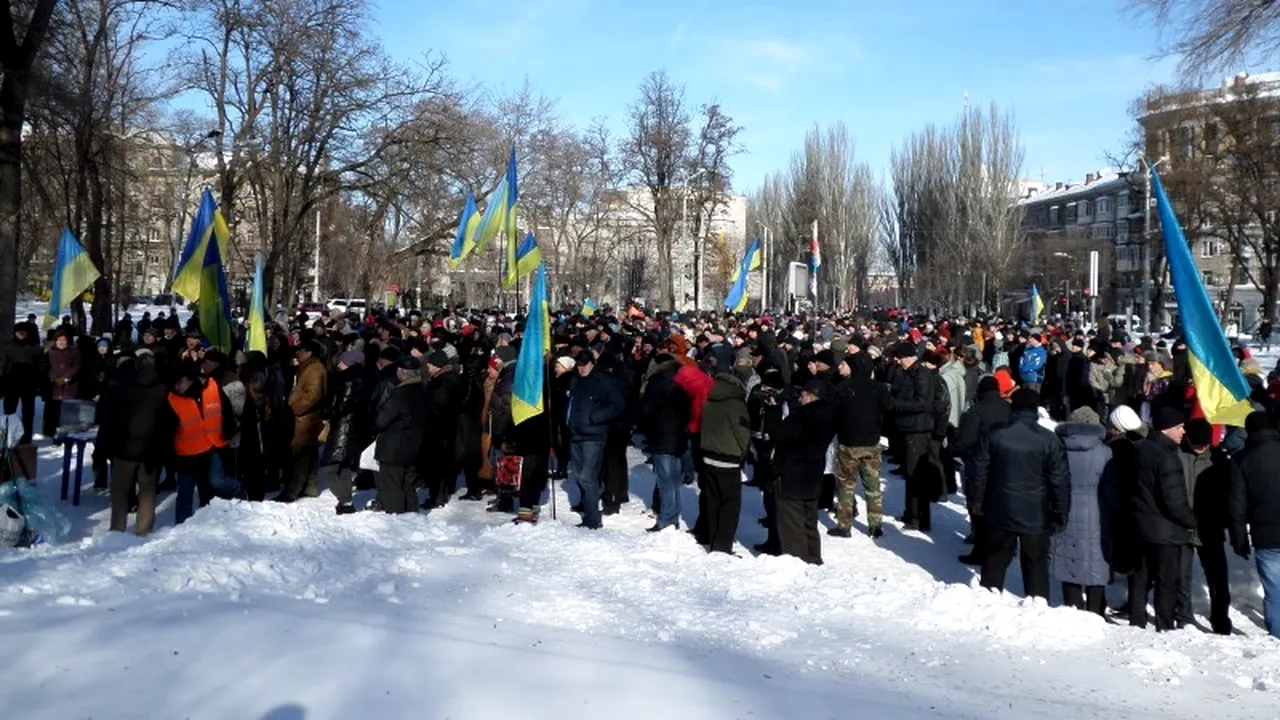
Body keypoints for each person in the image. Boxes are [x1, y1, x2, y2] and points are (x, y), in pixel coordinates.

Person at [971, 388, 1070, 599]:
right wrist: (1062, 511)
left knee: (995, 559)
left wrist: (976, 501)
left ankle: (988, 599)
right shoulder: (1049, 440)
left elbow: (979, 470)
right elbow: (1060, 480)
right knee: (1035, 563)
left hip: (1000, 507)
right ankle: (1037, 604)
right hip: (1036, 511)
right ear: (1035, 409)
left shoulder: (994, 433)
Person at [1129, 405, 1196, 630]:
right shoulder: (1167, 457)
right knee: (1167, 582)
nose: (1183, 431)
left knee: (1141, 576)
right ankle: (1165, 625)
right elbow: (1174, 501)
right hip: (1165, 531)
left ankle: (1136, 620)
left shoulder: (1138, 449)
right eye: (1179, 427)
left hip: (1141, 525)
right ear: (1167, 428)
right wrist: (1192, 521)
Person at [97, 351, 171, 536]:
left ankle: (117, 529)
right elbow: (167, 422)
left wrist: (108, 445)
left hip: (124, 450)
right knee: (147, 493)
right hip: (150, 452)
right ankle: (143, 530)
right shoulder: (162, 390)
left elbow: (111, 418)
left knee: (120, 492)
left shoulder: (124, 388)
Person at [1049, 407, 1112, 615]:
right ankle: (1096, 611)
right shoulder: (1104, 452)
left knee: (1068, 558)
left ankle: (1072, 607)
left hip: (1065, 507)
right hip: (1097, 510)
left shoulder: (1059, 448)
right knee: (1095, 560)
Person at [1180, 417, 1237, 634]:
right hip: (1183, 523)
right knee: (1180, 575)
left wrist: (1224, 520)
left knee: (1217, 577)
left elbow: (1230, 493)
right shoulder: (1178, 454)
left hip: (1210, 526)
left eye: (1204, 444)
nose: (1200, 448)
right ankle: (1183, 616)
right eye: (1196, 444)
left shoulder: (1220, 459)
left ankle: (1220, 618)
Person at [773, 378, 837, 565]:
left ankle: (798, 562)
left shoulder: (800, 418)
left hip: (793, 475)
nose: (799, 399)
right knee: (809, 520)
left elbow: (780, 437)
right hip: (814, 474)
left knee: (793, 523)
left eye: (802, 395)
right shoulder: (829, 416)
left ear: (809, 396)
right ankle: (813, 556)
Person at [1229, 411, 1280, 639]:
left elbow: (1237, 505)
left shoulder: (1242, 459)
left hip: (1265, 533)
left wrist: (1239, 539)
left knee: (1274, 589)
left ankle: (1278, 633)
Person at [566, 350, 625, 529]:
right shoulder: (576, 380)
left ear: (592, 363)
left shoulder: (603, 381)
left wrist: (596, 417)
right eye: (579, 365)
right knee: (578, 474)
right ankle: (589, 508)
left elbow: (617, 404)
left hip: (594, 435)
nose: (581, 368)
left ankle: (592, 519)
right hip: (575, 433)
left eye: (585, 364)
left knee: (587, 476)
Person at [167, 368, 234, 525]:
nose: (177, 387)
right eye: (174, 384)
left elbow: (226, 409)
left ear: (189, 379)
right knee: (185, 492)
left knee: (209, 489)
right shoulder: (172, 398)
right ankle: (181, 528)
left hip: (209, 448)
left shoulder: (211, 386)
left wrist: (228, 430)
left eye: (180, 383)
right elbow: (167, 429)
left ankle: (207, 523)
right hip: (185, 454)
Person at [831, 352, 886, 538]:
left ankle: (844, 526)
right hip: (871, 443)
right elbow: (888, 408)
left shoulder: (843, 387)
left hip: (848, 443)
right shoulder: (879, 388)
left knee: (846, 485)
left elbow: (834, 412)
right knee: (873, 487)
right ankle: (875, 525)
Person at [697, 362, 751, 553]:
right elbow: (742, 433)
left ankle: (711, 538)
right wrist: (744, 453)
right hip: (729, 458)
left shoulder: (709, 399)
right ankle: (723, 544)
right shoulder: (736, 404)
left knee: (712, 500)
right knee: (729, 503)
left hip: (709, 455)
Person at [369, 356, 428, 513]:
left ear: (402, 372)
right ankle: (411, 517)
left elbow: (381, 421)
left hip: (394, 447)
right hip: (414, 445)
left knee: (392, 485)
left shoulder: (399, 394)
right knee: (408, 485)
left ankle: (397, 519)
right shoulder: (422, 392)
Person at [640, 352, 690, 532]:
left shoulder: (657, 381)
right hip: (680, 435)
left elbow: (647, 409)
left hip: (662, 436)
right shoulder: (685, 380)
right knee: (674, 480)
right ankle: (673, 515)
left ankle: (667, 518)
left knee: (665, 481)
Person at [319, 350, 367, 515]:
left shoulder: (349, 381)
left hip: (343, 429)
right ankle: (346, 500)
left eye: (341, 362)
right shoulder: (361, 378)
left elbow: (341, 407)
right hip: (352, 429)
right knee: (344, 465)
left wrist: (328, 411)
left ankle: (345, 499)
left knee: (329, 467)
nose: (338, 364)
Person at [279, 341, 327, 502]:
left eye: (300, 350)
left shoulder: (315, 369)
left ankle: (291, 491)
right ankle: (311, 487)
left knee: (300, 455)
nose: (297, 353)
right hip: (305, 418)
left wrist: (295, 408)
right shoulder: (306, 367)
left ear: (309, 352)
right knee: (309, 454)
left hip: (307, 419)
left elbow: (313, 395)